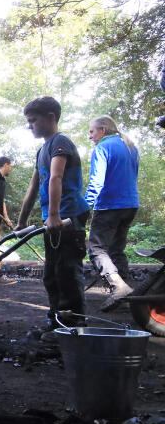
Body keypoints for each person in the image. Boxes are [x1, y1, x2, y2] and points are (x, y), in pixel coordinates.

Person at [15, 97, 90, 322]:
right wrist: (21, 221)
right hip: (53, 220)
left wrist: (55, 214)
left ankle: (73, 323)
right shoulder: (42, 151)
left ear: (50, 118)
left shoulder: (61, 142)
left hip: (68, 216)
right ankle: (56, 321)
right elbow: (34, 186)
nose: (30, 126)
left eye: (33, 121)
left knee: (67, 272)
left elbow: (56, 176)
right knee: (51, 274)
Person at [85, 115, 140, 311]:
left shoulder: (103, 147)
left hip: (110, 205)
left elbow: (97, 182)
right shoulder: (130, 147)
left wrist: (85, 205)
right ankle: (125, 295)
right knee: (116, 249)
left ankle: (118, 287)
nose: (90, 136)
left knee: (97, 249)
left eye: (92, 131)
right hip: (131, 204)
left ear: (103, 130)